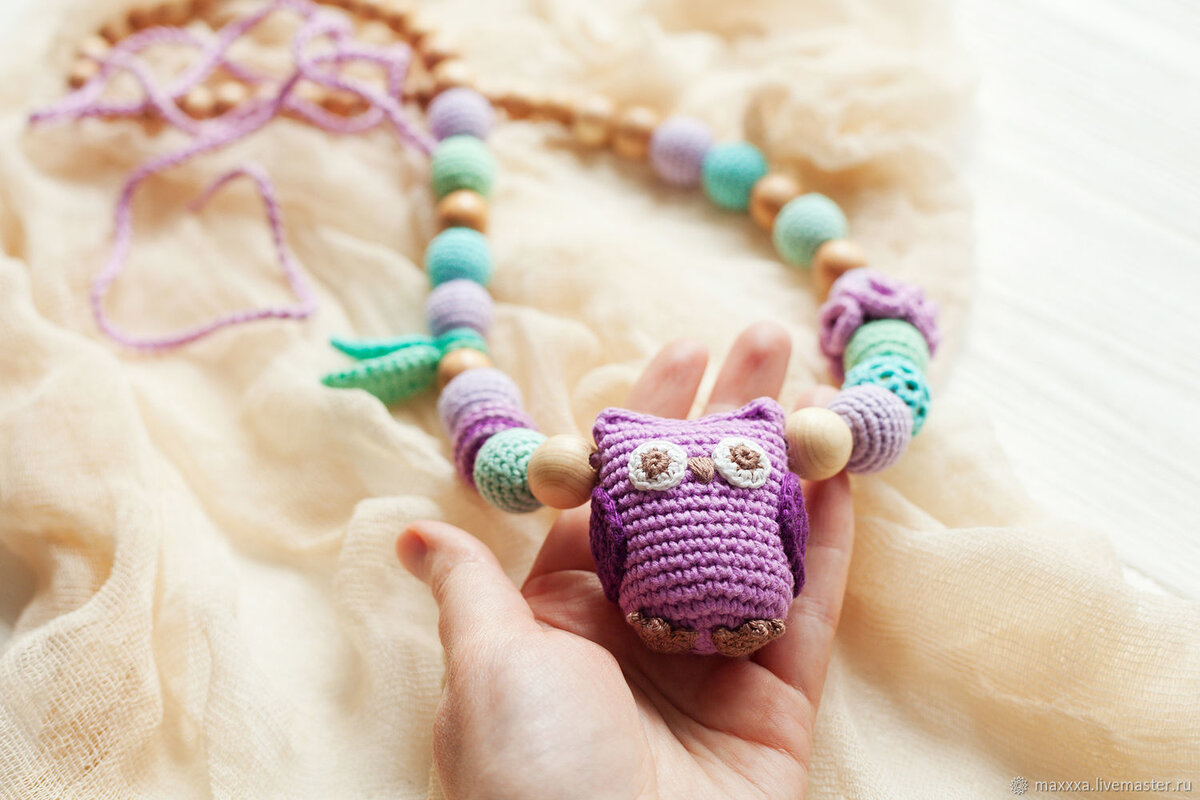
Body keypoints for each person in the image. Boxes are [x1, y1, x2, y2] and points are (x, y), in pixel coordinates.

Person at [397, 323, 854, 800]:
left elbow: (787, 536)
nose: (701, 470)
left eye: (732, 460)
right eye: (663, 465)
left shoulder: (770, 460)